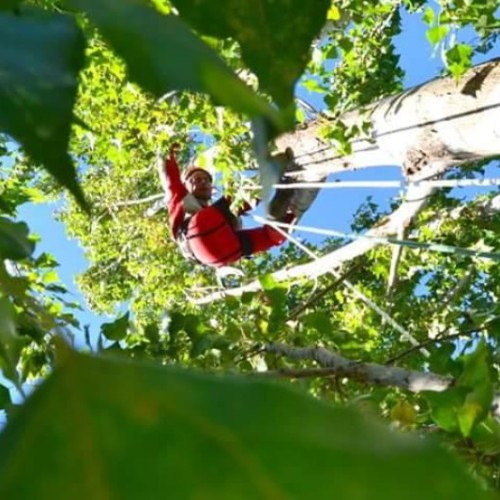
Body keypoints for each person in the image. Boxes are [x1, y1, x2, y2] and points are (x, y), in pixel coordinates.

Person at [158, 144, 296, 267]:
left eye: (206, 180)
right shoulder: (181, 197)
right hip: (197, 235)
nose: (203, 182)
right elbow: (170, 179)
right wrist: (168, 152)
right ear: (186, 186)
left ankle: (283, 216)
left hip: (219, 256)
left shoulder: (216, 212)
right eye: (196, 180)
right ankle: (276, 168)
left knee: (267, 238)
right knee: (238, 199)